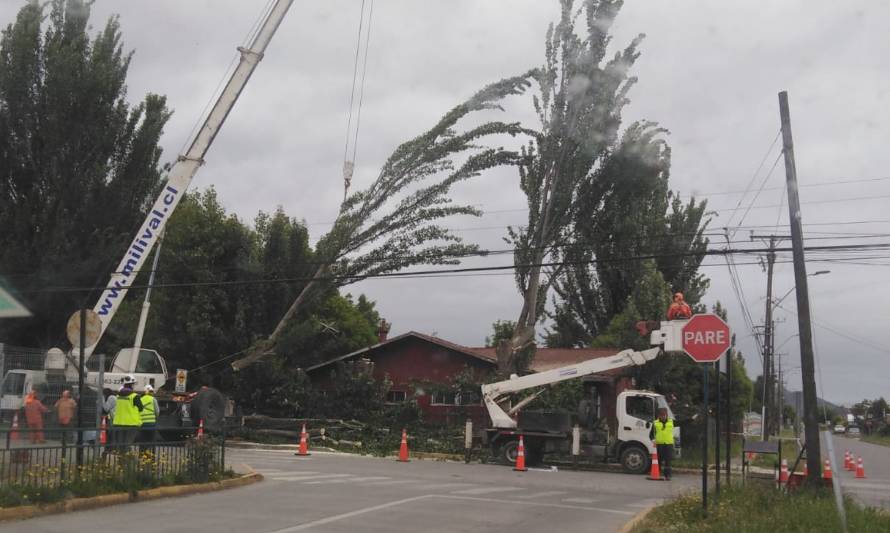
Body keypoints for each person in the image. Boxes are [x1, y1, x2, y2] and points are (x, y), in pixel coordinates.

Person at [112, 375, 143, 449]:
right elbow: (141, 408)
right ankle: (126, 459)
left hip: (118, 423)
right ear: (131, 385)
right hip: (131, 424)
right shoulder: (135, 396)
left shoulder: (118, 396)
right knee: (127, 444)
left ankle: (121, 459)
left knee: (120, 445)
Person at [650, 407, 675, 480]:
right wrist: (653, 439)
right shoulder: (655, 423)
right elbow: (651, 434)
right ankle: (658, 473)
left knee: (668, 460)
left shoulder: (671, 422)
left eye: (664, 415)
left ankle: (668, 475)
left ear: (667, 415)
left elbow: (682, 422)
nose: (663, 416)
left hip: (668, 444)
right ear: (659, 416)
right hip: (659, 444)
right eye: (661, 415)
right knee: (659, 460)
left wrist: (692, 419)